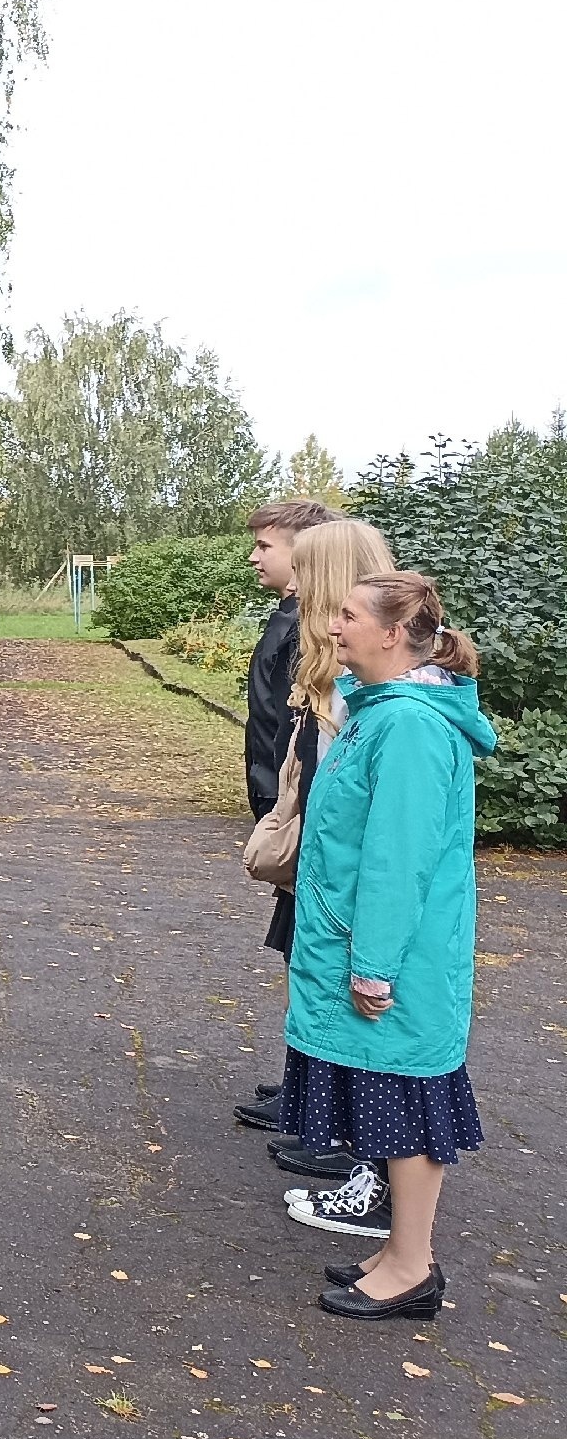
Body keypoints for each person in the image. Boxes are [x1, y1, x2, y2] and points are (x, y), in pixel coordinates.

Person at [274, 571, 494, 1319]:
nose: (334, 627)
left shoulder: (407, 726)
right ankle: (400, 1252)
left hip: (396, 955)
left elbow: (398, 857)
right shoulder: (384, 713)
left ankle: (412, 1268)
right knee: (390, 1101)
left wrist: (372, 967)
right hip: (371, 944)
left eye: (348, 615)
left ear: (392, 633)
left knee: (406, 1105)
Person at [260, 518, 396, 1182]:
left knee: (353, 997)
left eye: (308, 571)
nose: (297, 585)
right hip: (322, 870)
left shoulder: (366, 692)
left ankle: (353, 1144)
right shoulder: (329, 670)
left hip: (345, 880)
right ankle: (330, 1123)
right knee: (315, 982)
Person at [233, 499, 339, 1131]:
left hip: (304, 818)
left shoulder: (314, 629)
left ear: (305, 554)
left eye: (266, 546)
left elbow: (303, 733)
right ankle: (305, 1088)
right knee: (299, 952)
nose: (254, 556)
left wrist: (284, 807)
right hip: (287, 811)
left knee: (315, 955)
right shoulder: (290, 619)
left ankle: (317, 1101)